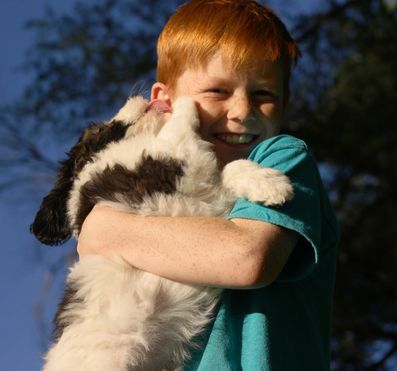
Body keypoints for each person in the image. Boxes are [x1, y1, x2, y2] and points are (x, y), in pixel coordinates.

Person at [77, 0, 340, 370]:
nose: (242, 111)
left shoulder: (281, 156)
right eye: (217, 91)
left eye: (263, 94)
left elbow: (247, 258)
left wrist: (107, 229)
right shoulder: (144, 178)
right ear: (163, 102)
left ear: (285, 103)